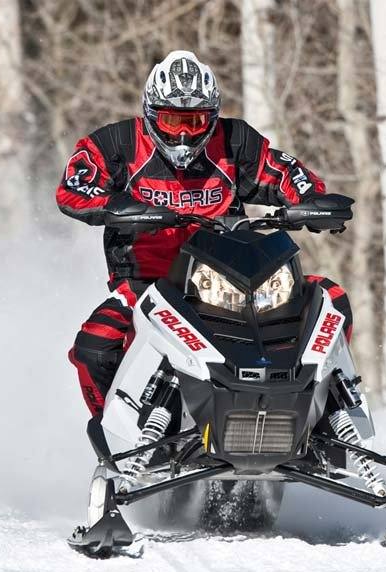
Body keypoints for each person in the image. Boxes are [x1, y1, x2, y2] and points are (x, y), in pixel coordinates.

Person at [56, 50, 353, 416]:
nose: (182, 134)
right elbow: (73, 189)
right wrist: (114, 207)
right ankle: (117, 442)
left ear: (211, 119)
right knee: (95, 346)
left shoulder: (234, 141)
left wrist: (312, 201)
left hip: (234, 281)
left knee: (330, 299)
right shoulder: (116, 144)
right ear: (150, 114)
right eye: (171, 120)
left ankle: (331, 416)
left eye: (194, 121)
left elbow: (283, 172)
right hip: (148, 285)